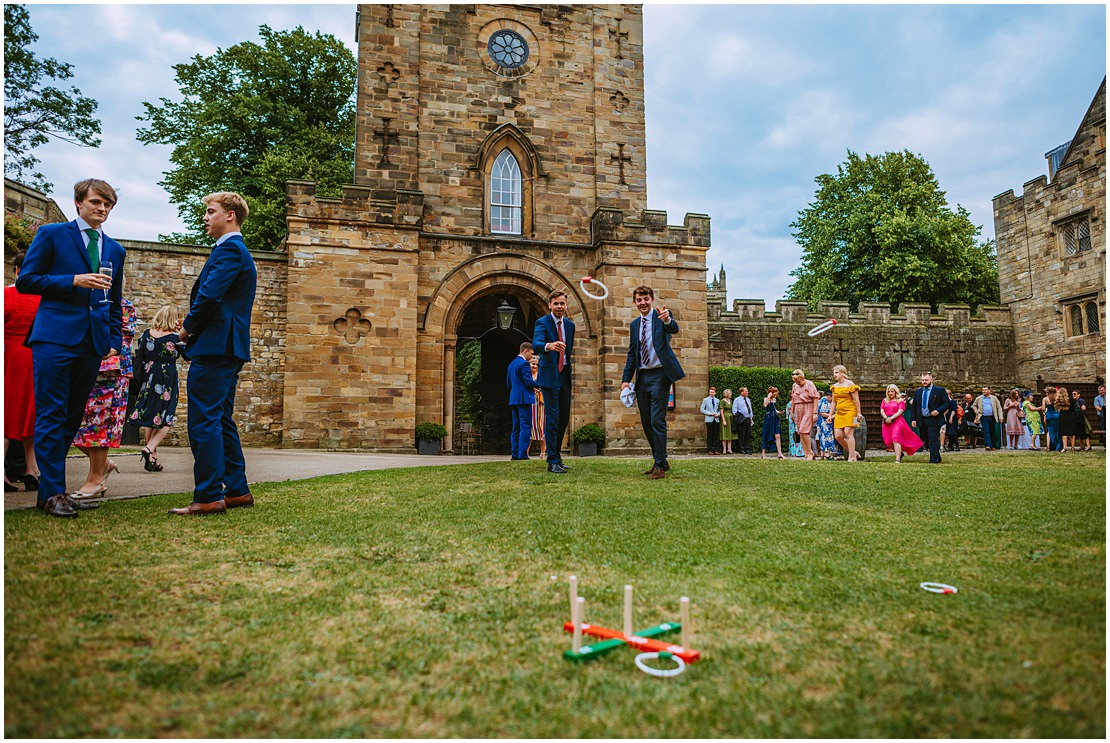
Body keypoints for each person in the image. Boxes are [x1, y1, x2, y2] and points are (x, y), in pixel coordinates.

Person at [16, 178, 125, 518]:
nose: (102, 209)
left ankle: (49, 492)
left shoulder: (115, 250)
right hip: (54, 338)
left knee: (71, 417)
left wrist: (112, 342)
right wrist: (73, 281)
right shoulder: (51, 235)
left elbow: (115, 302)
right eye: (96, 202)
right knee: (51, 413)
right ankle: (54, 493)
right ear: (78, 202)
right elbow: (26, 281)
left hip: (92, 344)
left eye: (107, 204)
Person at [170, 192, 257, 515]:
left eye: (210, 211)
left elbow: (209, 297)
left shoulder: (231, 250)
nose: (205, 218)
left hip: (216, 346)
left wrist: (186, 329)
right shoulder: (232, 251)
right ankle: (236, 490)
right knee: (220, 419)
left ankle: (207, 495)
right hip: (226, 346)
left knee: (203, 420)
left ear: (230, 215)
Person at [71, 298, 137, 499]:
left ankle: (95, 480)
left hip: (110, 371)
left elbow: (121, 340)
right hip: (86, 369)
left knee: (100, 427)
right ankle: (103, 466)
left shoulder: (122, 306)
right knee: (77, 428)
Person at [620, 285, 685, 478]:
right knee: (647, 422)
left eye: (646, 299)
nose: (643, 303)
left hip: (660, 375)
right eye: (639, 300)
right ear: (635, 302)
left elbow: (673, 328)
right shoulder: (634, 325)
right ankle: (661, 460)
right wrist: (625, 380)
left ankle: (659, 466)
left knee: (657, 420)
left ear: (652, 299)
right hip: (642, 377)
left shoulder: (662, 316)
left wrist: (667, 320)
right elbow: (632, 353)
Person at [128, 304, 183, 470]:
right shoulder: (175, 339)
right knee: (167, 416)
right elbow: (190, 356)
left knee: (152, 416)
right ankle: (149, 448)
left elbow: (140, 357)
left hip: (148, 378)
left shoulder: (146, 335)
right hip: (167, 378)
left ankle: (153, 457)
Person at [5, 251, 41, 492]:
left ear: (17, 270)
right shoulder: (44, 298)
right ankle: (32, 470)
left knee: (7, 412)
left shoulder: (5, 295)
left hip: (9, 357)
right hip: (35, 357)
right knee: (31, 413)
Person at [533, 289, 575, 473]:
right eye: (556, 303)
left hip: (564, 375)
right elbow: (536, 344)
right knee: (553, 417)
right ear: (550, 305)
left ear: (566, 305)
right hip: (550, 377)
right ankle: (552, 461)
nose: (559, 307)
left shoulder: (570, 326)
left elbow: (569, 351)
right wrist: (549, 346)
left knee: (564, 417)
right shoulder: (542, 323)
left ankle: (557, 455)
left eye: (562, 303)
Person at [910, 371, 951, 464]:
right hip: (922, 419)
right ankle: (937, 456)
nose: (924, 382)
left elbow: (947, 403)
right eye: (923, 380)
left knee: (932, 438)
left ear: (931, 380)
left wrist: (938, 410)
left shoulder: (939, 390)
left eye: (926, 380)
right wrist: (913, 419)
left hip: (934, 419)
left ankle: (933, 460)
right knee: (926, 439)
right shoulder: (918, 392)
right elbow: (915, 407)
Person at [506, 342, 535, 461]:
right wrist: (541, 384)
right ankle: (522, 454)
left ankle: (514, 454)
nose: (531, 357)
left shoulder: (511, 364)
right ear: (525, 351)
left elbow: (508, 383)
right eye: (531, 354)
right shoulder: (524, 364)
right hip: (524, 399)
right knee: (525, 427)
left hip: (514, 399)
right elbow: (528, 382)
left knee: (516, 428)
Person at [880, 384, 922, 463]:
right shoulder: (884, 400)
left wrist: (892, 418)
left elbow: (901, 411)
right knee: (889, 440)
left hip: (897, 421)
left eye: (892, 391)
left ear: (895, 392)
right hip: (886, 422)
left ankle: (897, 459)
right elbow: (882, 410)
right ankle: (900, 453)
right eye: (889, 392)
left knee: (896, 438)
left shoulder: (900, 400)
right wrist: (886, 418)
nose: (890, 393)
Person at [830, 364, 862, 462]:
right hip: (839, 412)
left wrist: (859, 413)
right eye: (834, 373)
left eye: (836, 372)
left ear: (843, 373)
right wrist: (830, 414)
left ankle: (851, 457)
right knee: (838, 436)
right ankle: (853, 452)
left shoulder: (850, 384)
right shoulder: (834, 387)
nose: (834, 375)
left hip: (851, 411)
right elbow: (833, 402)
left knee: (848, 433)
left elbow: (856, 400)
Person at [790, 369, 820, 460]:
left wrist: (815, 413)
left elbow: (815, 398)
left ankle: (810, 452)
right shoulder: (794, 386)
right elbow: (793, 400)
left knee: (804, 430)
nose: (797, 382)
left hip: (808, 407)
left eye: (798, 380)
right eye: (795, 381)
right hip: (798, 409)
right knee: (800, 432)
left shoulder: (809, 384)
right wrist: (792, 412)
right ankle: (806, 453)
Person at [973, 386, 1002, 451]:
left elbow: (999, 407)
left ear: (989, 391)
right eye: (983, 390)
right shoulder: (979, 398)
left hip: (992, 417)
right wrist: (977, 412)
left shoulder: (994, 398)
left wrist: (1000, 417)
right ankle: (988, 445)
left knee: (992, 431)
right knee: (986, 431)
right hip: (983, 417)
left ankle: (993, 445)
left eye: (985, 390)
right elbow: (974, 405)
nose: (984, 391)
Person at [529, 357, 546, 459]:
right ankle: (526, 452)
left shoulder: (541, 375)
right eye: (533, 364)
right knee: (529, 427)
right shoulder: (526, 375)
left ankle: (543, 452)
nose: (535, 366)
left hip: (541, 404)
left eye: (536, 364)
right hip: (530, 403)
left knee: (542, 426)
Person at [760, 386, 784, 459]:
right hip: (768, 418)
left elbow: (774, 409)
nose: (776, 395)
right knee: (766, 434)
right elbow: (765, 405)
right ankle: (763, 453)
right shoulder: (766, 399)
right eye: (774, 394)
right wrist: (768, 397)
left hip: (775, 418)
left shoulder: (774, 400)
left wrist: (778, 412)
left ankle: (780, 453)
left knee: (778, 435)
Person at [814, 389, 836, 459]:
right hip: (824, 423)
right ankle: (827, 454)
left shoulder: (824, 400)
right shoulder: (824, 401)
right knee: (827, 437)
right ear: (830, 396)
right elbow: (821, 412)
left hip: (824, 423)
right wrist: (832, 416)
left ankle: (823, 454)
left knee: (822, 437)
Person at [700, 386, 721, 455]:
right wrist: (710, 413)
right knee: (710, 435)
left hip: (716, 419)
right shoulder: (705, 400)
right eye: (710, 392)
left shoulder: (717, 400)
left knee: (716, 435)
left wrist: (718, 414)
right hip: (709, 419)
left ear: (715, 393)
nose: (711, 393)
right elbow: (702, 409)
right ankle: (710, 449)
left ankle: (716, 449)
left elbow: (719, 410)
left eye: (713, 392)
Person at [732, 387, 754, 455]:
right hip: (742, 419)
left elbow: (750, 408)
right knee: (742, 434)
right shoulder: (737, 400)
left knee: (748, 434)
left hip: (748, 418)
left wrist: (751, 417)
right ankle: (741, 448)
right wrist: (739, 416)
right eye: (746, 391)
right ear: (742, 392)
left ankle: (747, 448)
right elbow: (734, 410)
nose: (747, 392)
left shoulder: (748, 399)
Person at [1055, 387, 1077, 451]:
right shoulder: (1070, 399)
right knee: (1071, 432)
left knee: (1064, 432)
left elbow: (1057, 408)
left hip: (1062, 416)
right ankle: (1073, 447)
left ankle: (1065, 447)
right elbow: (1073, 408)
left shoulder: (1058, 400)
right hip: (1070, 416)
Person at [1043, 386, 1062, 452]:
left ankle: (1048, 445)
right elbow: (1059, 408)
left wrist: (1044, 416)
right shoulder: (1057, 398)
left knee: (1049, 430)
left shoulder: (1045, 399)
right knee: (1057, 431)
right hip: (1057, 415)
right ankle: (1058, 445)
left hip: (1049, 415)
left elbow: (1043, 409)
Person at [719, 389, 736, 454]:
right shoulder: (722, 401)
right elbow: (721, 411)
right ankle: (724, 449)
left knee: (730, 433)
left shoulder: (731, 401)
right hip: (725, 417)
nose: (730, 394)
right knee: (724, 433)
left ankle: (729, 449)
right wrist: (723, 420)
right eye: (729, 393)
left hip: (731, 417)